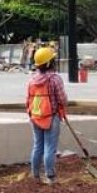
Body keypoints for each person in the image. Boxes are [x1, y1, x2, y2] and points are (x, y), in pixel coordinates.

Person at [26, 46, 68, 185]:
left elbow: (28, 99)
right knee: (50, 147)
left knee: (38, 145)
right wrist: (62, 107)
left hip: (36, 116)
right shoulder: (55, 79)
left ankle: (35, 175)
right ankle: (50, 176)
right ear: (50, 63)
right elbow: (62, 99)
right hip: (51, 116)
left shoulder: (32, 80)